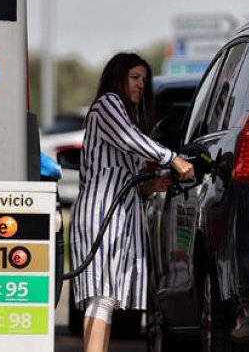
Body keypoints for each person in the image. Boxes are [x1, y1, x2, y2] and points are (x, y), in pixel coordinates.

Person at [70, 52, 194, 352]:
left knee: (105, 299)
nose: (141, 85)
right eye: (135, 78)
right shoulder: (108, 104)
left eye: (144, 80)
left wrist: (150, 186)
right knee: (101, 297)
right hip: (101, 214)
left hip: (118, 215)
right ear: (118, 78)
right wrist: (172, 158)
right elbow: (129, 139)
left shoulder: (126, 116)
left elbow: (128, 174)